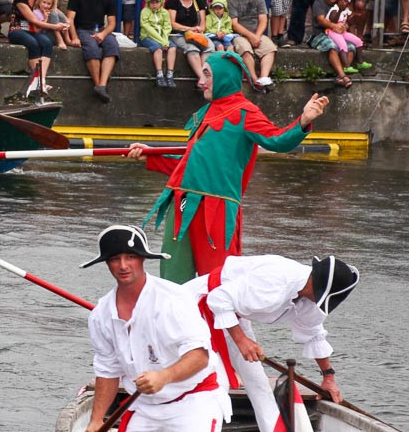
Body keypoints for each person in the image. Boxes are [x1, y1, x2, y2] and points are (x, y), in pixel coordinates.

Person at [133, 51, 330, 283]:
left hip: (216, 208)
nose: (200, 81)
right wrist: (149, 154)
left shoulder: (246, 113)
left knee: (217, 283)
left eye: (207, 74)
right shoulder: (205, 113)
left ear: (224, 77)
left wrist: (304, 121)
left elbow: (277, 140)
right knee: (173, 280)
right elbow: (191, 165)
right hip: (184, 202)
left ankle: (218, 320)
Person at [183, 254, 359, 432]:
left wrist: (328, 376)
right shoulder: (275, 281)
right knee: (213, 382)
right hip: (195, 309)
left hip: (233, 316)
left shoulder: (310, 299)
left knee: (259, 384)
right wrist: (242, 341)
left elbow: (314, 333)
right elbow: (218, 299)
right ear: (317, 286)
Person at [82, 224, 230, 432]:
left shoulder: (174, 299)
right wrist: (96, 420)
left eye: (131, 257)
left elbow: (199, 356)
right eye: (115, 259)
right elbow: (108, 370)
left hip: (194, 400)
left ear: (142, 260)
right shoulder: (100, 314)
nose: (123, 265)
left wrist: (164, 376)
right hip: (145, 406)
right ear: (106, 264)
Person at [66, 0, 119, 103]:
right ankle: (98, 85)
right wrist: (75, 37)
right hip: (83, 29)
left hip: (100, 29)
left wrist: (103, 34)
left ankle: (101, 86)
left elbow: (112, 23)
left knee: (112, 45)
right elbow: (69, 19)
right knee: (92, 48)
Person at [8, 0, 65, 99]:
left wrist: (66, 22)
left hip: (33, 30)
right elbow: (33, 20)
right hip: (17, 30)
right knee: (33, 43)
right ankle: (39, 81)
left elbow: (52, 8)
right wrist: (55, 27)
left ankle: (41, 80)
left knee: (46, 42)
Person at [140, 0, 176, 89]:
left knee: (172, 48)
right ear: (148, 2)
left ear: (161, 2)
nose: (154, 4)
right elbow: (147, 27)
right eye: (152, 2)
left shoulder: (164, 12)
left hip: (162, 37)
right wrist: (162, 42)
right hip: (148, 37)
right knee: (157, 49)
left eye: (157, 2)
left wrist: (165, 40)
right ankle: (159, 75)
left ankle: (170, 74)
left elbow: (167, 27)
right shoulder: (145, 12)